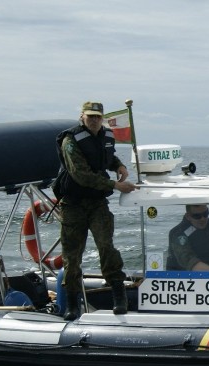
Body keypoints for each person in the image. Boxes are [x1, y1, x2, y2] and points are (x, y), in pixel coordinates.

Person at [56, 101, 139, 320]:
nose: (94, 120)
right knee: (72, 256)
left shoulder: (107, 136)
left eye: (97, 117)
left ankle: (118, 296)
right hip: (73, 204)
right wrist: (115, 185)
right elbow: (80, 173)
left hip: (97, 204)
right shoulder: (70, 140)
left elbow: (106, 157)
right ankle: (72, 303)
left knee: (106, 247)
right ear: (82, 116)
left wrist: (118, 166)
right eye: (90, 116)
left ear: (102, 118)